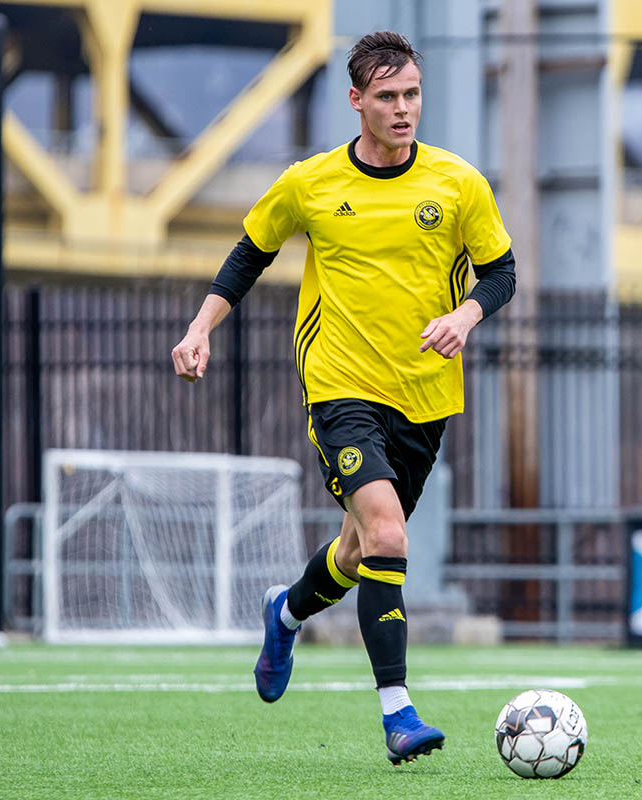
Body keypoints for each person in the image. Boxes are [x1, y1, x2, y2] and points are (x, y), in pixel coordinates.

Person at [170, 31, 515, 766]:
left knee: (361, 550)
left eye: (412, 94)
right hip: (340, 389)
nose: (402, 109)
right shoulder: (313, 184)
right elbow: (249, 254)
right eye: (387, 96)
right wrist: (201, 328)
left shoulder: (458, 184)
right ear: (355, 100)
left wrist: (466, 315)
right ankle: (399, 714)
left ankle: (285, 611)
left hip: (425, 398)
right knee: (388, 536)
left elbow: (501, 271)